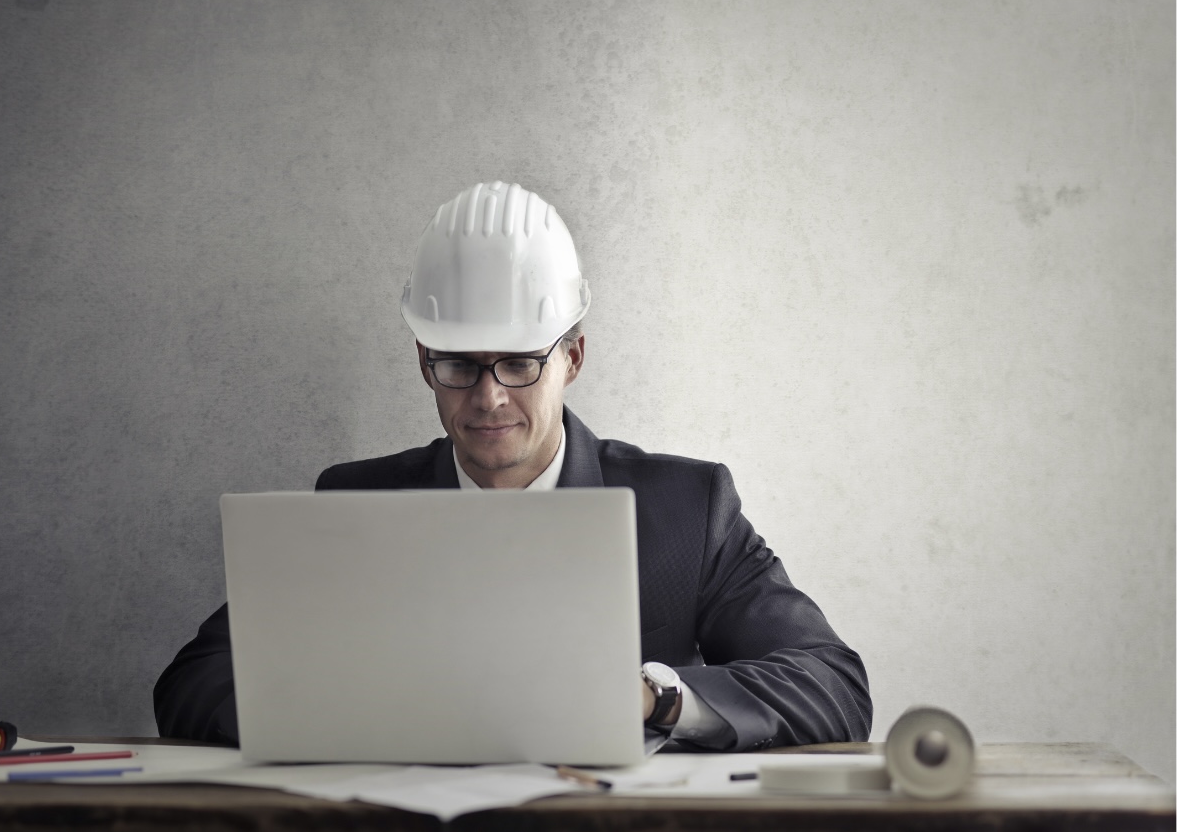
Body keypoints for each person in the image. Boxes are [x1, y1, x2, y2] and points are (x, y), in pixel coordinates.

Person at [155, 181, 871, 750]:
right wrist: (351, 707)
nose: (489, 395)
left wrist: (652, 699)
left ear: (572, 358)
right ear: (423, 363)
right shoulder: (352, 502)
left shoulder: (688, 507)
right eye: (459, 364)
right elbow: (193, 683)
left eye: (521, 362)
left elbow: (830, 682)